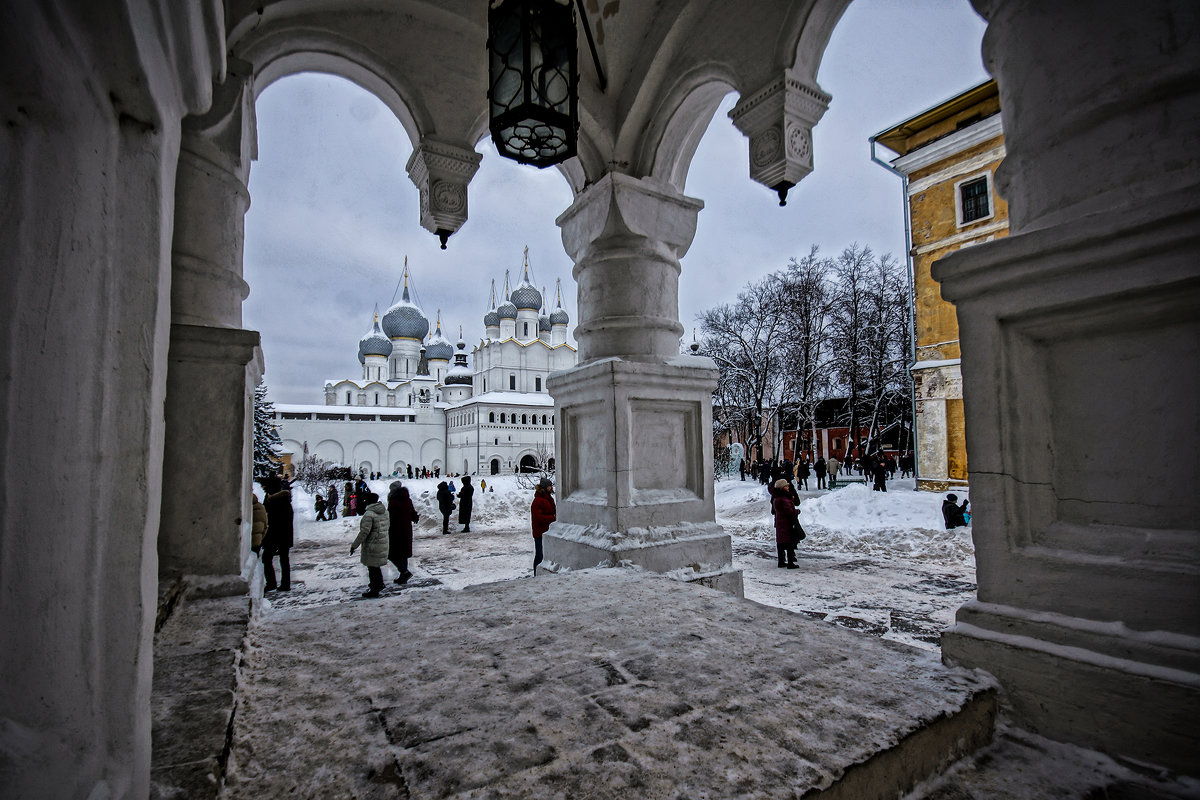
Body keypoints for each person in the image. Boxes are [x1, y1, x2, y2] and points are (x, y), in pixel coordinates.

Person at [350, 492, 389, 598]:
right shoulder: (384, 512)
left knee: (372, 568)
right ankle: (379, 584)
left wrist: (355, 545)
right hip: (382, 543)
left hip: (372, 544)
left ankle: (374, 589)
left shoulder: (369, 514)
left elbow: (364, 532)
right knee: (375, 567)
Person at [261, 476, 294, 591]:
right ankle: (285, 584)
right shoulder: (284, 500)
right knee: (284, 559)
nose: (263, 489)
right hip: (284, 535)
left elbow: (271, 520)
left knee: (267, 558)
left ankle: (272, 583)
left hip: (275, 534)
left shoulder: (274, 501)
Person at [387, 481, 418, 585]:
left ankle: (404, 572)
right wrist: (414, 517)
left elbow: (390, 516)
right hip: (406, 529)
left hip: (395, 530)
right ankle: (403, 576)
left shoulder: (393, 501)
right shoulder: (407, 499)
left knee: (391, 554)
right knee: (403, 553)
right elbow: (412, 512)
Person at [771, 479, 800, 569]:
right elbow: (789, 511)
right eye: (786, 486)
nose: (788, 487)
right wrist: (796, 511)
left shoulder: (777, 497)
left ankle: (781, 561)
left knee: (781, 542)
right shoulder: (783, 499)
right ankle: (790, 562)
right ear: (782, 487)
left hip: (780, 522)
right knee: (789, 542)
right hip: (786, 523)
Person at [530, 477, 556, 574]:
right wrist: (553, 518)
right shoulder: (538, 501)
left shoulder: (548, 499)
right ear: (545, 487)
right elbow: (538, 517)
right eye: (549, 486)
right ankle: (536, 573)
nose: (551, 487)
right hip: (540, 532)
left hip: (547, 530)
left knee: (545, 554)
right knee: (540, 555)